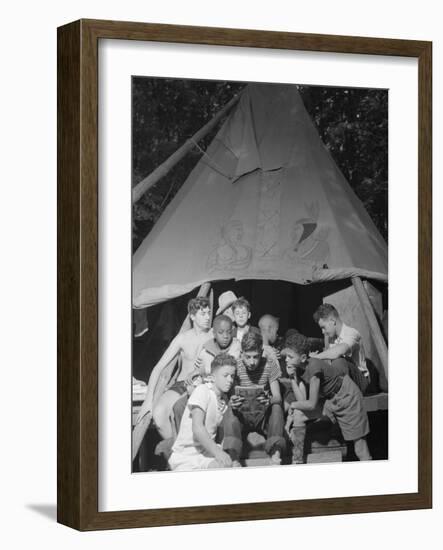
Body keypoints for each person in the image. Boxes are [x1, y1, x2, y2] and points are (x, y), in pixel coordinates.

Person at [283, 332, 372, 462]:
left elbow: (311, 404)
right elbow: (302, 401)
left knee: (360, 449)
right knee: (299, 414)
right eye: (286, 356)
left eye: (290, 357)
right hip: (329, 401)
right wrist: (292, 377)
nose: (286, 360)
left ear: (302, 357)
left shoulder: (314, 367)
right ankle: (297, 459)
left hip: (347, 398)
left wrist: (292, 405)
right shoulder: (299, 368)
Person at [139, 296, 212, 440]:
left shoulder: (213, 335)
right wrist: (148, 400)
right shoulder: (182, 338)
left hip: (203, 384)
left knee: (187, 415)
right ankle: (174, 453)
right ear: (192, 316)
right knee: (159, 415)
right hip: (181, 385)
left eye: (209, 313)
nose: (208, 317)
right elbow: (158, 368)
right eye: (203, 314)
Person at [222, 331, 286, 465]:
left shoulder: (270, 364)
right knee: (229, 410)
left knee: (277, 407)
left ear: (262, 351)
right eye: (248, 357)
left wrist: (269, 400)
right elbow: (231, 395)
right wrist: (232, 401)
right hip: (243, 416)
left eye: (256, 357)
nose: (252, 362)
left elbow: (278, 397)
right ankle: (234, 459)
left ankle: (275, 455)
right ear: (241, 353)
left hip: (263, 416)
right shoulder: (236, 366)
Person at [169, 354, 237, 471]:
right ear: (213, 377)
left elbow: (219, 435)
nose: (230, 380)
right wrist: (219, 453)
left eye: (232, 376)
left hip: (206, 455)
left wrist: (223, 453)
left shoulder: (223, 401)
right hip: (187, 456)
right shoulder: (202, 390)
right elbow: (197, 427)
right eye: (225, 375)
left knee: (233, 466)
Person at [311, 303, 370, 394]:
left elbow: (340, 350)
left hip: (360, 382)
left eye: (324, 327)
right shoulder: (331, 338)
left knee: (340, 361)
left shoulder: (351, 333)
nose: (323, 332)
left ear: (333, 321)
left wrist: (316, 357)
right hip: (342, 379)